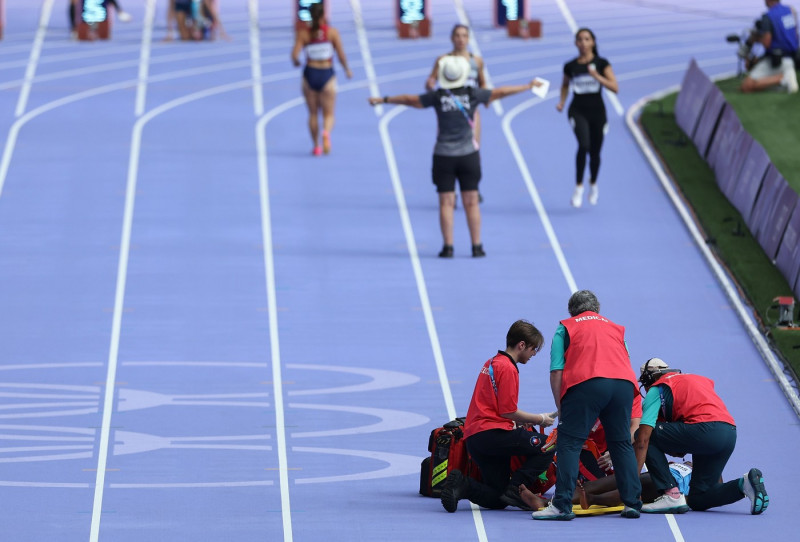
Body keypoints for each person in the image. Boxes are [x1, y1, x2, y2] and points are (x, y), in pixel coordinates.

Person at [368, 57, 544, 258]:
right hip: (468, 156)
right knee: (471, 202)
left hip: (443, 156)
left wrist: (384, 99)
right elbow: (500, 92)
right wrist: (528, 86)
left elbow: (410, 100)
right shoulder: (472, 94)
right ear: (462, 75)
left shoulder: (437, 96)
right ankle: (477, 247)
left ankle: (448, 247)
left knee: (446, 203)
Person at [532, 290, 642, 521]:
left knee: (569, 442)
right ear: (597, 310)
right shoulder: (616, 328)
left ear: (572, 312)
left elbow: (556, 371)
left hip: (587, 383)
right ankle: (632, 503)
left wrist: (561, 406)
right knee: (621, 443)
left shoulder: (566, 327)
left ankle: (561, 505)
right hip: (623, 384)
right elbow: (624, 361)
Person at [438, 320, 557, 513]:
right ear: (522, 345)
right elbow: (507, 411)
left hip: (476, 438)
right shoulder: (509, 368)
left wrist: (520, 420)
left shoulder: (492, 362)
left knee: (499, 497)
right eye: (533, 349)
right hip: (492, 434)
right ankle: (518, 488)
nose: (534, 354)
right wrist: (540, 419)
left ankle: (463, 485)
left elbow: (497, 407)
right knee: (548, 445)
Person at [633, 358, 769, 514]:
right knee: (699, 499)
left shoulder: (657, 389)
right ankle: (744, 484)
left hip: (704, 431)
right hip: (729, 433)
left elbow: (643, 440)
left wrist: (632, 487)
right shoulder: (691, 380)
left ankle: (670, 495)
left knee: (644, 434)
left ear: (650, 378)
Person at [556, 28, 619, 208]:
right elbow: (564, 85)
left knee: (595, 152)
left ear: (593, 42)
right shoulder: (571, 66)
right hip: (577, 111)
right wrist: (561, 102)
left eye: (587, 39)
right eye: (580, 40)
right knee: (583, 145)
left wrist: (597, 76)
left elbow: (615, 88)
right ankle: (578, 187)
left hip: (598, 112)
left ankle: (593, 184)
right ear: (576, 43)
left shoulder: (602, 63)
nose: (583, 43)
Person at [291, 3, 352, 156]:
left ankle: (316, 146)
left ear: (310, 17)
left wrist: (297, 62)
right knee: (329, 114)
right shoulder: (332, 33)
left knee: (312, 114)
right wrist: (347, 70)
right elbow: (341, 55)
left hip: (310, 74)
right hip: (327, 75)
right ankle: (326, 132)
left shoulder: (303, 34)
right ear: (324, 16)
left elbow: (294, 55)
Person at [519, 460, 693, 511]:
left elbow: (706, 487)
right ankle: (546, 503)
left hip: (667, 484)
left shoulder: (701, 474)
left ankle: (594, 499)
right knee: (594, 485)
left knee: (630, 489)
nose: (689, 462)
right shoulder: (675, 464)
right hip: (651, 474)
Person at [740, 0, 799, 93]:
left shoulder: (768, 16)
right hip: (793, 57)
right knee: (756, 63)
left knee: (746, 87)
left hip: (778, 60)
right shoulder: (790, 10)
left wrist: (755, 38)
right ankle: (784, 79)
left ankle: (784, 79)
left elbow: (766, 43)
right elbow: (795, 35)